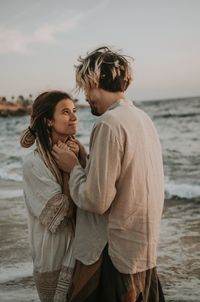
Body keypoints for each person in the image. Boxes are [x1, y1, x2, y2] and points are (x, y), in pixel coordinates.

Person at [52, 46, 165, 301]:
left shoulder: (108, 123)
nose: (86, 97)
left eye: (85, 88)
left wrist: (74, 168)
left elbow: (96, 200)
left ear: (94, 81)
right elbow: (129, 178)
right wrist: (87, 161)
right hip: (144, 249)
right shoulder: (143, 119)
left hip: (115, 254)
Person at [20, 90, 86, 302]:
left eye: (75, 110)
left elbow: (94, 198)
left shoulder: (79, 152)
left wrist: (77, 161)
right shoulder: (33, 163)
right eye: (66, 112)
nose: (74, 116)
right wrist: (70, 169)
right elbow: (64, 211)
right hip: (52, 256)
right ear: (49, 120)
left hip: (83, 252)